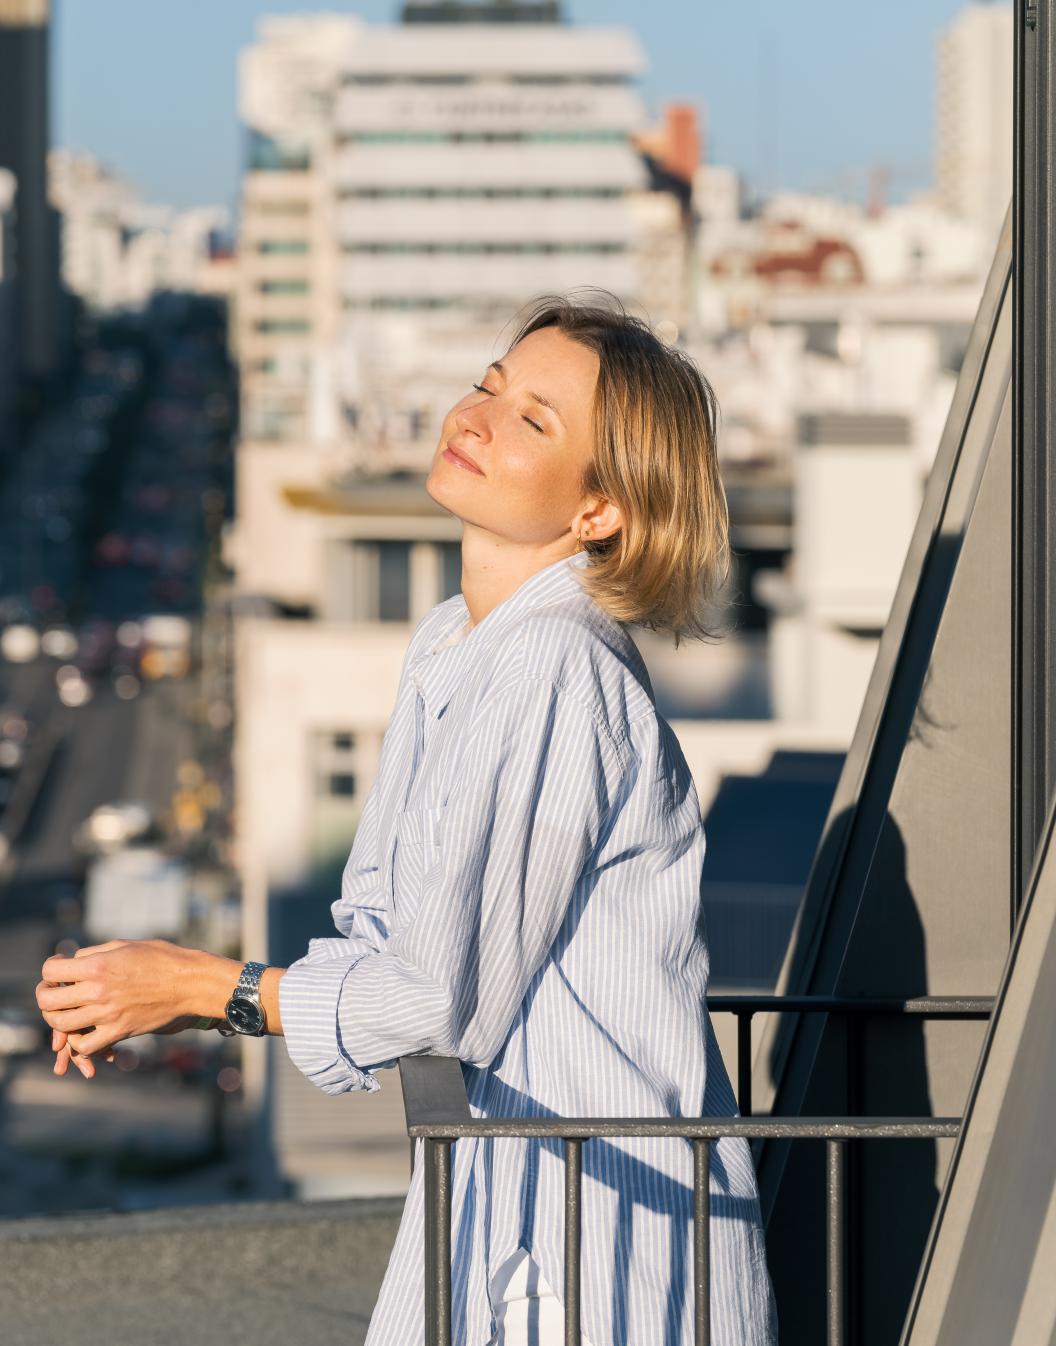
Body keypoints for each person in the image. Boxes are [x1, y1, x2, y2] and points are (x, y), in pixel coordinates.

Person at [36, 292, 778, 1345]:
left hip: (599, 1237)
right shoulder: (453, 641)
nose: (473, 417)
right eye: (488, 383)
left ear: (600, 508)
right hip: (515, 1201)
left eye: (532, 419)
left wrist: (203, 988)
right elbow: (379, 919)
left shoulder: (554, 664)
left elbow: (431, 994)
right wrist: (162, 989)